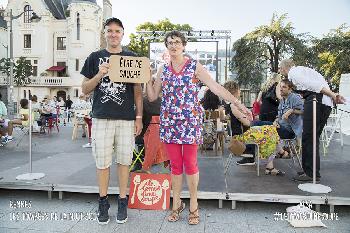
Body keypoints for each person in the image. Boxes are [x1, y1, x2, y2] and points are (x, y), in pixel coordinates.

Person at [146, 30, 250, 225]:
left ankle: (194, 204)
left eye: (177, 42)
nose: (173, 45)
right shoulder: (163, 69)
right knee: (175, 166)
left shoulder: (194, 66)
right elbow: (152, 96)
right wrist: (144, 79)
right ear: (166, 46)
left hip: (190, 122)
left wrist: (237, 102)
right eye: (169, 42)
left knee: (191, 164)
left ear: (184, 45)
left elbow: (216, 87)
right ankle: (176, 204)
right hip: (170, 122)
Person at [81, 17, 142, 225]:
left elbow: (137, 92)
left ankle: (122, 201)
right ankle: (103, 201)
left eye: (117, 31)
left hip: (126, 119)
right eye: (109, 31)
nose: (113, 34)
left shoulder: (132, 57)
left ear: (123, 33)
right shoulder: (94, 57)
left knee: (124, 161)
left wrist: (139, 117)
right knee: (102, 162)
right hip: (101, 117)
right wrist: (99, 74)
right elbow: (85, 89)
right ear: (104, 33)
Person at [279, 59, 345, 182]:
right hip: (321, 102)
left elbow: (316, 86)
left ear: (284, 68)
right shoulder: (302, 70)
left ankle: (311, 173)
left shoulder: (294, 73)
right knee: (310, 137)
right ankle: (309, 170)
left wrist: (333, 95)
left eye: (280, 68)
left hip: (317, 101)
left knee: (309, 137)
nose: (279, 71)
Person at [274, 79, 303, 158]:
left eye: (284, 87)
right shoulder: (282, 99)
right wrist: (275, 121)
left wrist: (291, 110)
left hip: (290, 131)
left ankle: (282, 153)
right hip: (281, 126)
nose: (280, 89)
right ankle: (280, 151)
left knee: (267, 129)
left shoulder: (295, 98)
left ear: (290, 89)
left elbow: (304, 111)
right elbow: (279, 116)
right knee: (261, 125)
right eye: (280, 87)